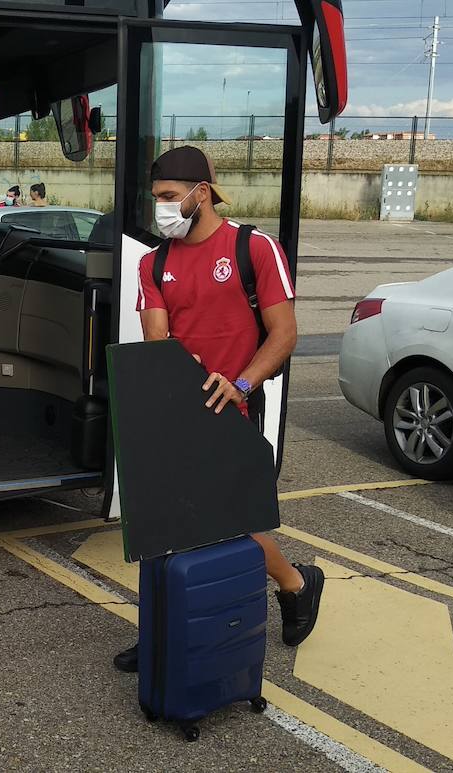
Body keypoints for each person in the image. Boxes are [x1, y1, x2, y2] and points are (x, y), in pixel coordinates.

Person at [114, 146, 324, 673]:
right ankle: (164, 632)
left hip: (235, 403)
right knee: (164, 523)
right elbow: (157, 342)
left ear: (199, 194)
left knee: (231, 521)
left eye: (167, 198)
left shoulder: (254, 248)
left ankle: (297, 584)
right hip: (177, 408)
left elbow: (285, 333)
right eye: (155, 198)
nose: (160, 209)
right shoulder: (153, 262)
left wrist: (241, 384)